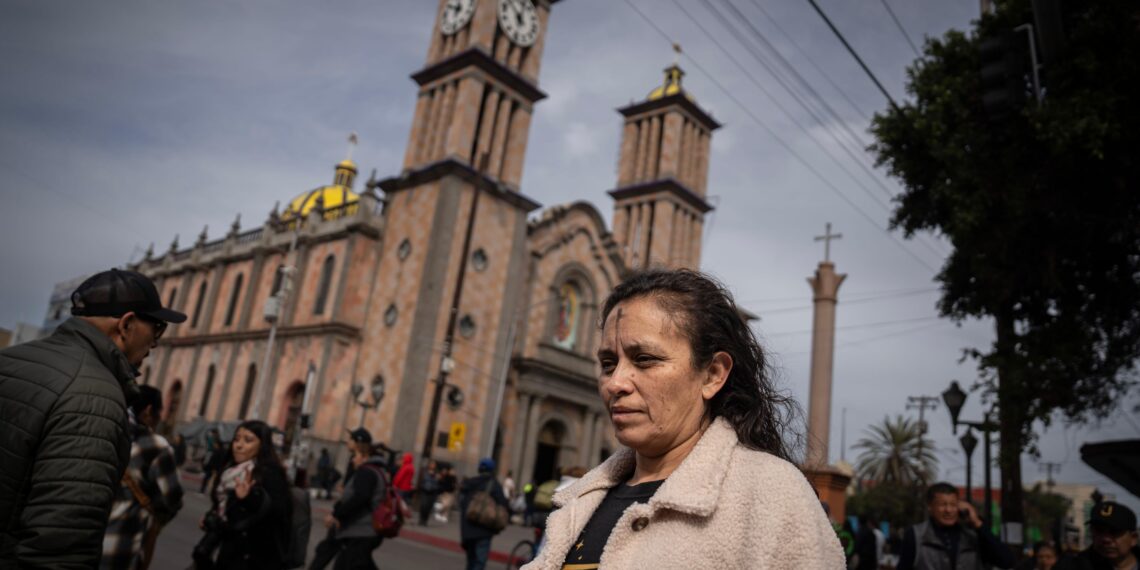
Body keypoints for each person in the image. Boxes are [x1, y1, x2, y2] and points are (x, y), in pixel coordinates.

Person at [524, 269, 845, 569]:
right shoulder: (579, 501)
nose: (615, 382)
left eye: (645, 359)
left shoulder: (773, 496)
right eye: (608, 363)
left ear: (712, 374)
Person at [0, 268, 186, 567]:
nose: (154, 343)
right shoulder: (96, 396)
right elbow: (60, 545)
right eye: (157, 328)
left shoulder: (9, 359)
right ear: (126, 325)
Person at [101, 385, 185, 570]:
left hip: (80, 535)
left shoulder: (104, 428)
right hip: (120, 542)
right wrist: (153, 513)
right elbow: (173, 497)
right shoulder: (155, 445)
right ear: (148, 411)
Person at [193, 420, 293, 569]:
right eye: (236, 439)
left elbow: (279, 513)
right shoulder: (230, 471)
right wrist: (212, 516)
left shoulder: (270, 473)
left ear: (262, 445)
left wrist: (250, 498)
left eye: (248, 440)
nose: (239, 445)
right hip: (229, 551)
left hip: (256, 558)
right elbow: (225, 507)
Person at [310, 435, 389, 570]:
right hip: (359, 531)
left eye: (356, 455)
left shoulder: (367, 472)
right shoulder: (375, 471)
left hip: (361, 530)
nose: (353, 459)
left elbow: (359, 498)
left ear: (365, 456)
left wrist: (337, 515)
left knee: (346, 563)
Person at [897, 482, 1015, 570]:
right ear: (930, 507)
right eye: (943, 505)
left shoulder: (974, 535)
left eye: (953, 505)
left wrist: (977, 523)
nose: (948, 510)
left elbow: (1006, 562)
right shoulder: (916, 535)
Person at [1055, 501, 1138, 570]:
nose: (1106, 539)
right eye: (1099, 531)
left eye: (1114, 532)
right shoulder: (1071, 567)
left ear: (1133, 538)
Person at [459, 458, 510, 570]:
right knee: (479, 562)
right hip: (484, 529)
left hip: (467, 528)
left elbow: (461, 504)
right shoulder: (494, 485)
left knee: (471, 561)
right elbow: (503, 505)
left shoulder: (469, 483)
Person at [418, 460, 440, 526]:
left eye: (434, 464)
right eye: (432, 464)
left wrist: (436, 477)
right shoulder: (424, 471)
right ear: (429, 465)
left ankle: (425, 520)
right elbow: (421, 480)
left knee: (428, 507)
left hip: (433, 492)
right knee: (423, 505)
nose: (433, 466)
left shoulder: (437, 473)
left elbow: (438, 483)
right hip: (425, 490)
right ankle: (421, 519)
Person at [201, 428, 223, 493]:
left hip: (213, 467)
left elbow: (217, 460)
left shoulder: (218, 450)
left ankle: (208, 489)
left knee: (209, 478)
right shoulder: (213, 441)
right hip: (211, 465)